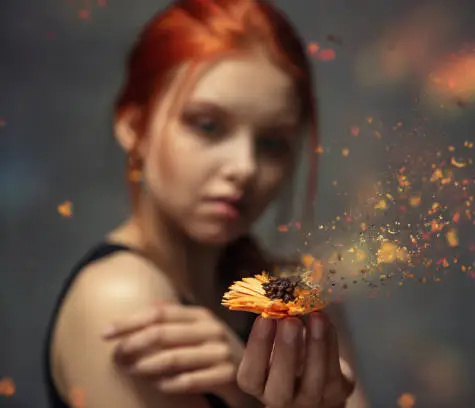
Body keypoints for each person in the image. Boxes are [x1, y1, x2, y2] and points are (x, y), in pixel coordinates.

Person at [43, 0, 369, 407]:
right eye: (208, 125)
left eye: (273, 143)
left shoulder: (293, 295)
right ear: (134, 127)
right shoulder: (120, 296)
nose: (244, 167)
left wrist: (241, 384)